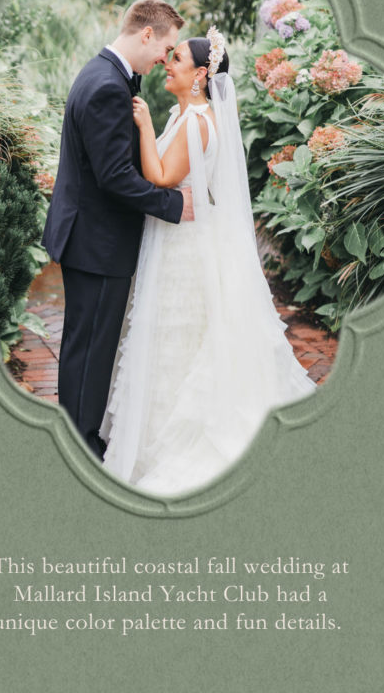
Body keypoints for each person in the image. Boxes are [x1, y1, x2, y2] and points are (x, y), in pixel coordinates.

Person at [100, 26, 317, 495]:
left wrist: (143, 127)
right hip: (181, 240)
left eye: (175, 58)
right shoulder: (190, 116)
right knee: (176, 339)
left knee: (176, 338)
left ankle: (175, 445)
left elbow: (158, 175)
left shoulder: (197, 121)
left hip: (184, 252)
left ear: (199, 74)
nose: (166, 64)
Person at [41, 0, 193, 460]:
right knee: (90, 350)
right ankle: (82, 445)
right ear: (146, 34)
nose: (164, 60)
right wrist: (172, 203)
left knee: (84, 345)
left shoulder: (102, 72)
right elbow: (114, 178)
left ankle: (78, 434)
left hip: (88, 235)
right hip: (98, 240)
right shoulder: (108, 86)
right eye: (165, 48)